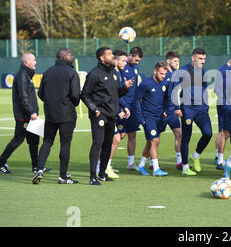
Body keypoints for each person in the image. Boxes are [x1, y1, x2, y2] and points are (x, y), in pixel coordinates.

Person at [81, 47, 134, 185]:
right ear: (102, 58)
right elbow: (85, 95)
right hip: (99, 115)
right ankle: (92, 176)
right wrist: (95, 110)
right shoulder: (94, 74)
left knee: (107, 144)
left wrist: (125, 87)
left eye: (112, 54)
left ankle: (102, 174)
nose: (112, 56)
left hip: (112, 115)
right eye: (109, 54)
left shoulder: (114, 73)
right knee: (97, 144)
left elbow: (116, 94)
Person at [32, 48, 80, 184]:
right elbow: (76, 95)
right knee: (65, 143)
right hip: (67, 114)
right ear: (64, 56)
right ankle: (63, 176)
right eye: (70, 54)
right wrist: (72, 104)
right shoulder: (71, 73)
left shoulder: (47, 72)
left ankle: (39, 169)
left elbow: (40, 93)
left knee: (47, 141)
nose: (72, 56)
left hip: (51, 114)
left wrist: (50, 103)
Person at [170, 48, 213, 176]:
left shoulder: (203, 71)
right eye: (200, 58)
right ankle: (184, 167)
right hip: (187, 109)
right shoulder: (183, 70)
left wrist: (206, 106)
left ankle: (196, 155)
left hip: (201, 109)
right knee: (186, 138)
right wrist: (176, 107)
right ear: (193, 58)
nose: (202, 61)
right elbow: (173, 89)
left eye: (204, 59)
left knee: (208, 133)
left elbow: (205, 89)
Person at [0, 53, 41, 174]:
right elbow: (23, 97)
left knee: (34, 140)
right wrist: (32, 111)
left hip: (30, 114)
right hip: (24, 115)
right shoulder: (22, 75)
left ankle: (36, 166)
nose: (35, 62)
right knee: (18, 139)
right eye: (33, 60)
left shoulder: (27, 74)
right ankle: (1, 162)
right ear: (27, 62)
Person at [135, 61, 170, 177]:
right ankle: (156, 169)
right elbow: (137, 100)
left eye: (165, 74)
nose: (163, 76)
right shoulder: (145, 83)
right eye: (161, 73)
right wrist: (140, 118)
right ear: (155, 71)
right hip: (148, 117)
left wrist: (165, 110)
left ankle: (141, 165)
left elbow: (166, 99)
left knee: (151, 142)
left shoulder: (165, 83)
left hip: (159, 117)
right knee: (155, 140)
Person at [103, 49, 131, 179]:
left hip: (116, 110)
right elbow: (110, 95)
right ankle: (104, 166)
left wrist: (124, 107)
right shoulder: (111, 73)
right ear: (115, 61)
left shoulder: (118, 73)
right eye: (123, 60)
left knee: (120, 136)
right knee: (115, 138)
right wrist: (119, 110)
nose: (126, 63)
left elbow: (118, 93)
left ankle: (103, 164)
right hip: (107, 112)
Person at [121, 47, 143, 171]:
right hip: (123, 104)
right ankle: (105, 163)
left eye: (139, 61)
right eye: (136, 60)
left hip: (133, 105)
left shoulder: (136, 67)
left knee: (132, 134)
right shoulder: (122, 67)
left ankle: (131, 163)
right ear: (130, 55)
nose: (137, 62)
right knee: (119, 135)